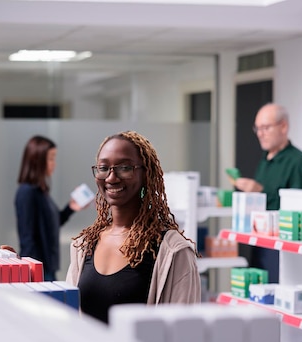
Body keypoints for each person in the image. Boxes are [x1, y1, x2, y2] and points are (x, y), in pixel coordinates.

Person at [66, 130, 201, 324]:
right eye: (104, 168)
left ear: (146, 174)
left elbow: (183, 334)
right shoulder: (84, 245)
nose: (111, 177)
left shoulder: (173, 251)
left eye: (124, 168)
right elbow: (68, 316)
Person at [233, 103, 302, 282]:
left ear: (283, 126)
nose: (260, 134)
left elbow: (297, 213)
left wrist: (260, 190)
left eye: (266, 128)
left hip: (283, 248)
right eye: (257, 128)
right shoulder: (266, 160)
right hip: (260, 242)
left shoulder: (299, 162)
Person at [14, 135, 84, 282]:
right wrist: (32, 275)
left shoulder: (41, 192)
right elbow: (28, 238)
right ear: (37, 160)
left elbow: (53, 223)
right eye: (51, 158)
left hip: (47, 267)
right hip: (38, 270)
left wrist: (70, 208)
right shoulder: (27, 192)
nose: (54, 164)